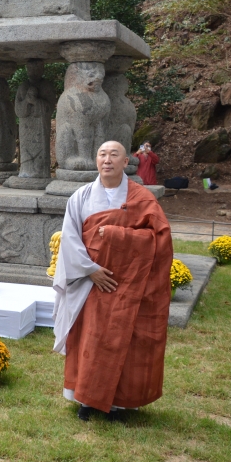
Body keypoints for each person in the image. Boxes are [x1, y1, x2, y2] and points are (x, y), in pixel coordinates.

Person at [52, 141, 173, 422]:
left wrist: (117, 235)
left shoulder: (142, 198)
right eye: (102, 155)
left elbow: (160, 239)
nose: (107, 160)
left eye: (114, 155)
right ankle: (85, 399)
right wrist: (90, 269)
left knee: (123, 342)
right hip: (91, 282)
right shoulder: (81, 197)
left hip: (129, 284)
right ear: (96, 161)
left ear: (125, 162)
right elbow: (70, 237)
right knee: (90, 339)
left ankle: (119, 404)